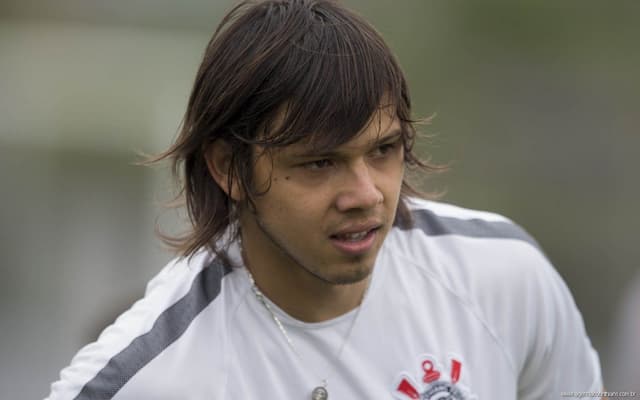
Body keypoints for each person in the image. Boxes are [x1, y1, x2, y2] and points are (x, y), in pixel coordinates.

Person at [46, 1, 603, 399]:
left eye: (384, 150)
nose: (365, 194)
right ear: (227, 168)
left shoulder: (503, 275)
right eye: (319, 162)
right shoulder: (148, 376)